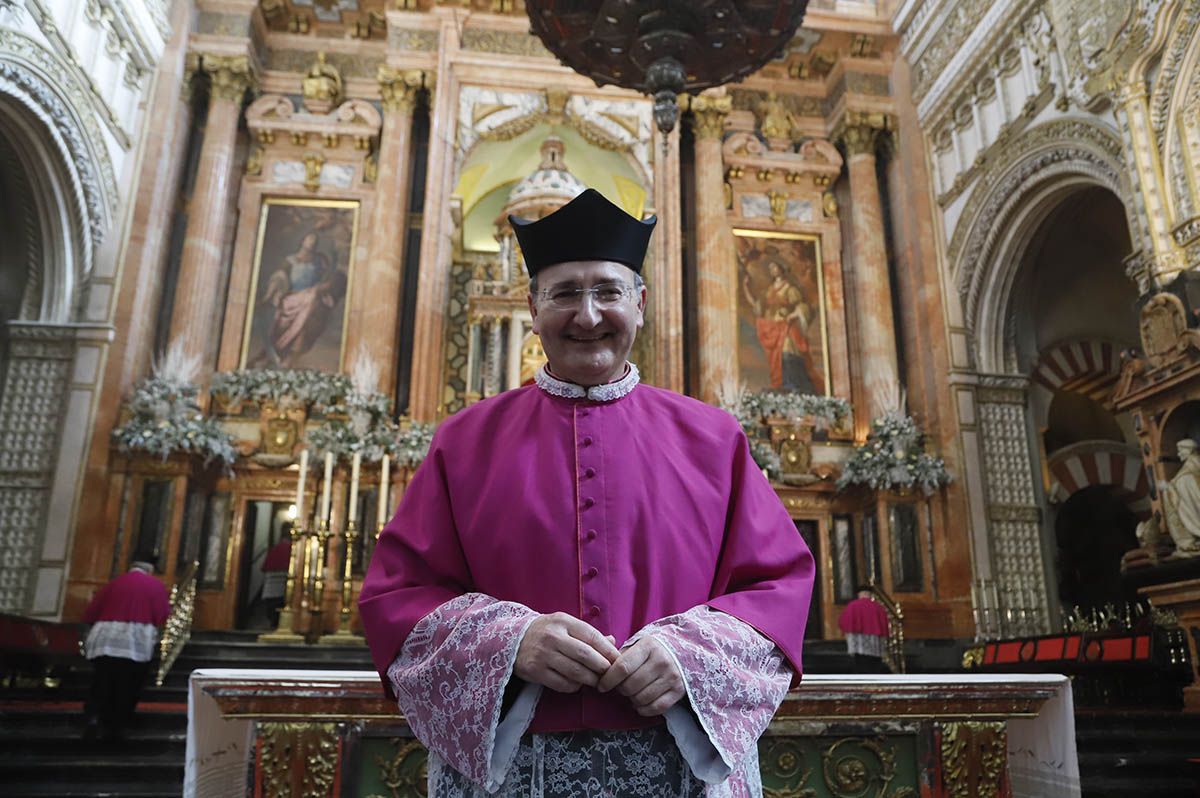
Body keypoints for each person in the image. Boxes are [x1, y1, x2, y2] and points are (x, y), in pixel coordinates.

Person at [360, 188, 815, 797]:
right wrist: (509, 643)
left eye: (607, 290)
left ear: (641, 303)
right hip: (513, 769)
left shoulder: (713, 439)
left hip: (679, 763)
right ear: (532, 306)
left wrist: (688, 654)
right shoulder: (464, 441)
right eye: (565, 293)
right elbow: (398, 596)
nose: (588, 315)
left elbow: (779, 588)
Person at [82, 562, 171, 741]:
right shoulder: (155, 585)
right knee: (128, 684)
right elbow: (162, 614)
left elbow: (92, 612)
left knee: (102, 681)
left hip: (106, 638)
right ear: (150, 571)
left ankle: (93, 718)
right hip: (134, 641)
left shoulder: (114, 583)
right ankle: (117, 725)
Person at [249, 231, 347, 367]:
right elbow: (279, 276)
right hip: (292, 298)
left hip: (312, 299)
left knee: (310, 310)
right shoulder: (291, 260)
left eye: (314, 241)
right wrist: (270, 293)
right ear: (303, 241)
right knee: (312, 299)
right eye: (309, 239)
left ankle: (290, 358)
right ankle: (274, 353)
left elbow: (329, 275)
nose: (311, 243)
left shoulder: (320, 260)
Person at [742, 259, 818, 391]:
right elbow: (758, 307)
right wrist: (746, 288)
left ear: (782, 268)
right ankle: (782, 385)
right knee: (775, 356)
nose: (773, 270)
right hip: (773, 326)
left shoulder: (789, 288)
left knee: (787, 350)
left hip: (786, 326)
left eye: (775, 267)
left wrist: (792, 316)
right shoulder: (770, 290)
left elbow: (803, 307)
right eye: (771, 268)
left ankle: (793, 383)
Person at [837, 586, 891, 674]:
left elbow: (843, 621)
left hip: (858, 641)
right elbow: (884, 624)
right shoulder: (878, 607)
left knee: (860, 663)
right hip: (875, 641)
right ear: (870, 594)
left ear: (859, 594)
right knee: (874, 664)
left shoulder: (852, 605)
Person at [1161, 438, 1200, 556]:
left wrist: (1167, 487)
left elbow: (1179, 482)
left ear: (1188, 450)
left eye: (1180, 451)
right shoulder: (1191, 465)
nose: (1178, 454)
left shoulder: (1190, 468)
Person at [260, 526, 293, 626]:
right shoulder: (291, 549)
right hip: (283, 586)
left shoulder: (275, 548)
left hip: (271, 587)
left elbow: (264, 567)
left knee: (272, 609)